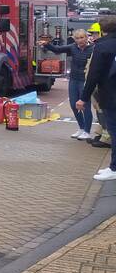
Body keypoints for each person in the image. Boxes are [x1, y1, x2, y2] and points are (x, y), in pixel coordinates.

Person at [77, 16, 116, 180]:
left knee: (114, 131)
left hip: (111, 95)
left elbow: (93, 75)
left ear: (102, 30)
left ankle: (114, 168)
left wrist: (83, 98)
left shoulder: (102, 47)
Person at [39, 30, 93, 139]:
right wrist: (47, 44)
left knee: (84, 105)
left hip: (85, 80)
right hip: (73, 79)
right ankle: (81, 128)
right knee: (73, 105)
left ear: (86, 37)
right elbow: (57, 50)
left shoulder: (93, 49)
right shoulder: (73, 47)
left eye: (82, 37)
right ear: (74, 39)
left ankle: (87, 131)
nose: (80, 40)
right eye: (77, 38)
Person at [86, 22, 110, 148]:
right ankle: (101, 133)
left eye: (95, 33)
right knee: (98, 111)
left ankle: (107, 137)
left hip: (100, 86)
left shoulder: (103, 47)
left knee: (103, 111)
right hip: (95, 86)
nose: (92, 36)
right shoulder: (98, 46)